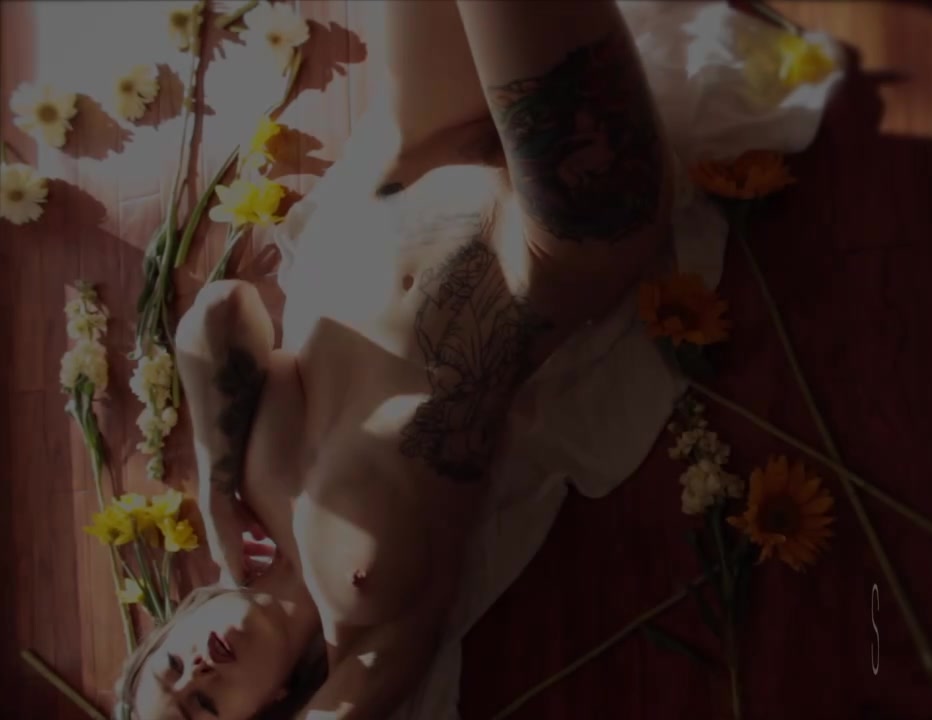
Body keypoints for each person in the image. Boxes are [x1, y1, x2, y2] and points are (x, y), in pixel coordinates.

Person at [116, 1, 673, 717]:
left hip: (422, 136)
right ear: (270, 708)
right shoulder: (370, 642)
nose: (199, 671)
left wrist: (217, 484)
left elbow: (223, 312)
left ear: (174, 625)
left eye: (171, 666)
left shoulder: (245, 482)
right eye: (204, 710)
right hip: (551, 237)